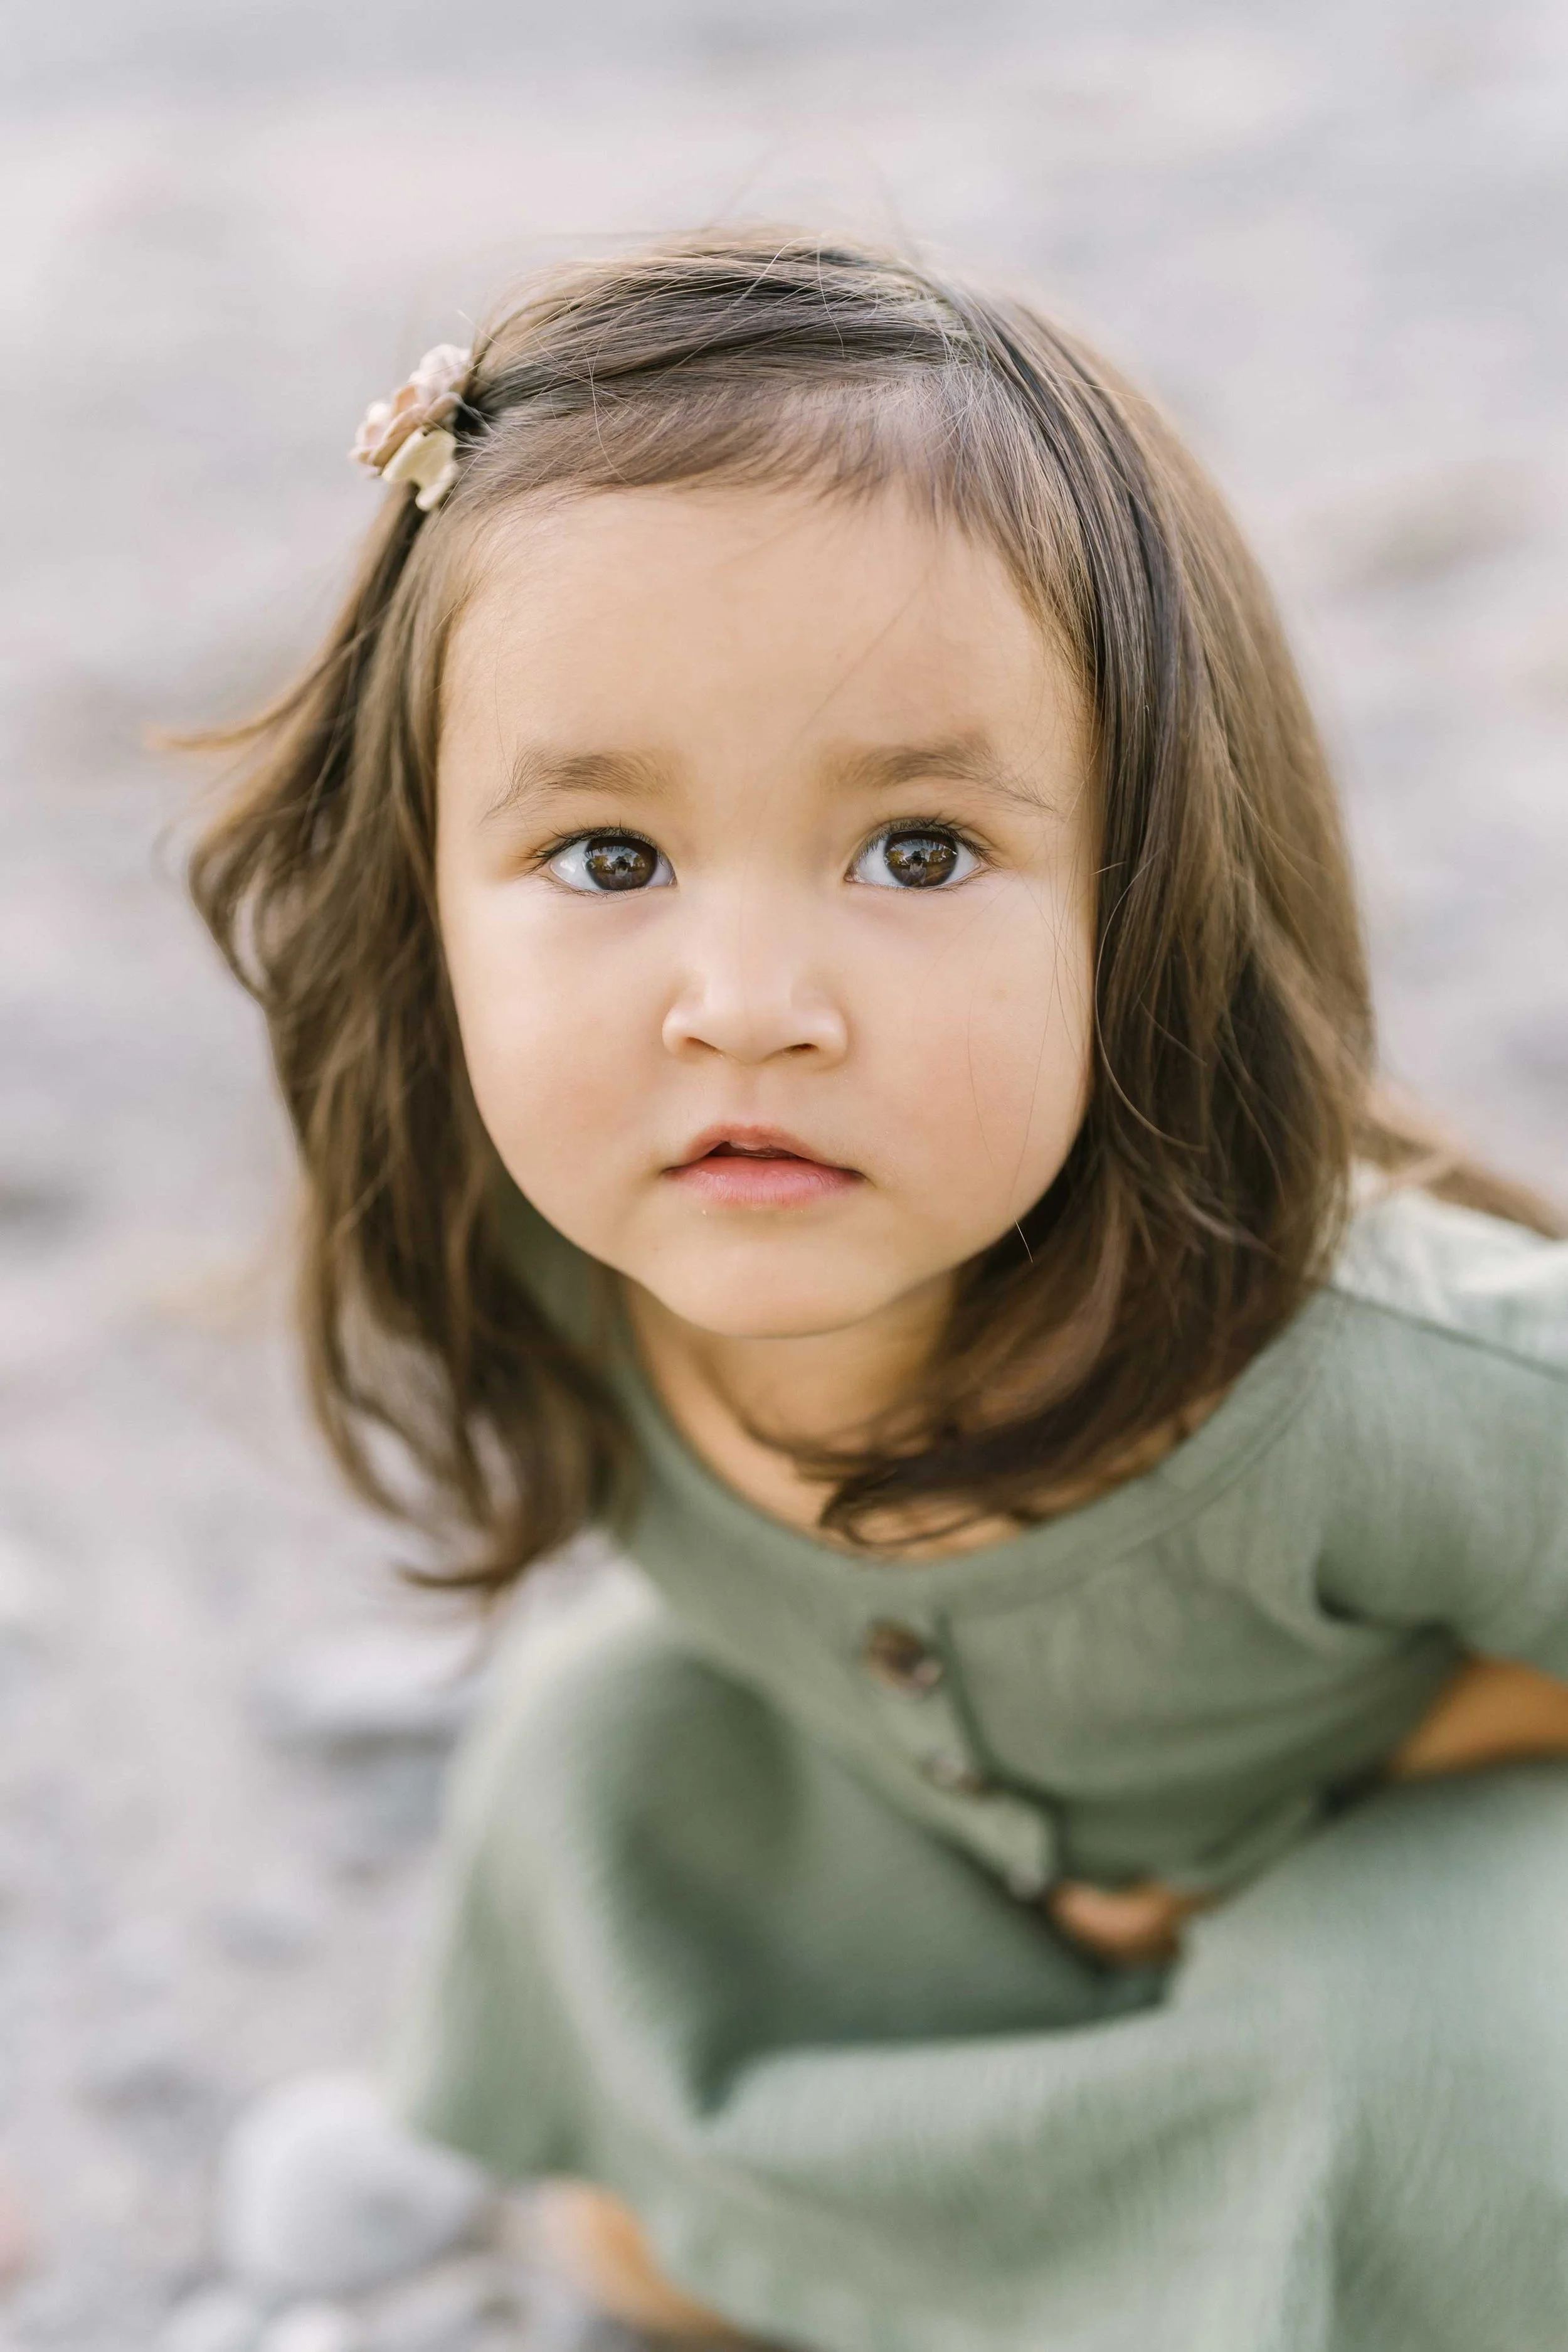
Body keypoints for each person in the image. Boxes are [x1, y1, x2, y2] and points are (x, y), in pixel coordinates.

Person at [189, 232, 1568, 2351]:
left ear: (1146, 898)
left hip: (1426, 1863)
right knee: (602, 1742)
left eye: (916, 852)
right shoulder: (556, 1266)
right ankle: (805, 2216)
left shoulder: (1360, 1366)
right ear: (424, 900)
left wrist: (1355, 1799)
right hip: (981, 1852)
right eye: (609, 859)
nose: (746, 1010)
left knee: (1412, 2048)